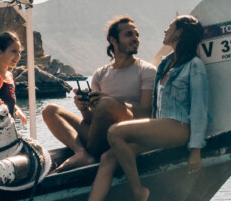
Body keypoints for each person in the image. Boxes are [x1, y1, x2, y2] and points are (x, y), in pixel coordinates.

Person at [58, 15, 208, 201]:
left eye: (170, 26)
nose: (165, 29)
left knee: (116, 132)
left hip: (179, 127)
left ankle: (138, 191)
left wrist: (196, 148)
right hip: (160, 126)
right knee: (108, 158)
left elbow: (200, 108)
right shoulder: (166, 63)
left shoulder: (194, 66)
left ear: (179, 33)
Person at [43, 16, 156, 172]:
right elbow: (93, 119)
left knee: (106, 104)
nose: (136, 39)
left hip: (128, 133)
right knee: (50, 110)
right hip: (99, 135)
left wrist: (112, 103)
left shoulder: (147, 71)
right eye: (129, 34)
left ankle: (89, 153)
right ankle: (82, 154)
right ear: (113, 40)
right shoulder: (100, 74)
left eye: (137, 35)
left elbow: (146, 113)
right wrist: (83, 108)